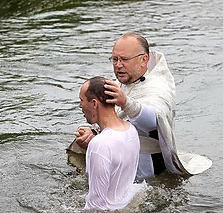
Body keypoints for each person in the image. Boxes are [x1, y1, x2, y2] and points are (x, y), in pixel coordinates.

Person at [72, 33, 211, 178]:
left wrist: (125, 102)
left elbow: (154, 120)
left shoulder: (157, 85)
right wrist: (93, 133)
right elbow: (109, 118)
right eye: (115, 59)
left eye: (124, 59)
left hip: (149, 169)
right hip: (120, 159)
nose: (118, 65)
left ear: (144, 59)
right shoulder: (125, 80)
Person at [78, 76, 144, 211]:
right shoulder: (131, 130)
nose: (80, 106)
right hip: (126, 206)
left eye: (81, 100)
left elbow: (96, 206)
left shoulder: (99, 144)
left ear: (94, 104)